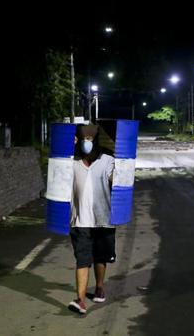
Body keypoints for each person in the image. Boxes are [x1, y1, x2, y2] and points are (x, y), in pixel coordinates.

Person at [68, 124, 116, 315]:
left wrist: (125, 166)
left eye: (90, 140)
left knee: (100, 257)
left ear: (95, 141)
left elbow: (119, 181)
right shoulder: (72, 163)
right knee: (82, 259)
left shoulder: (107, 161)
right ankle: (80, 299)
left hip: (103, 219)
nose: (87, 144)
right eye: (83, 140)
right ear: (78, 141)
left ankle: (99, 287)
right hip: (79, 221)